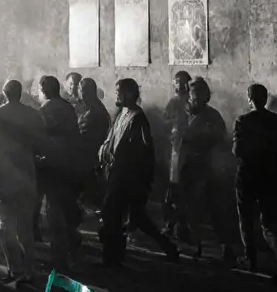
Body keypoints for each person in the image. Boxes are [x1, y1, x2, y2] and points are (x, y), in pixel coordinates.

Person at [98, 78, 180, 266]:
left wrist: (142, 180)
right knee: (136, 218)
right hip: (117, 173)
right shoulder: (122, 113)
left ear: (129, 94)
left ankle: (113, 259)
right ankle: (168, 247)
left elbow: (146, 150)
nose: (117, 94)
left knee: (115, 215)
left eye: (120, 91)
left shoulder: (137, 117)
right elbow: (112, 139)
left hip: (128, 177)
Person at [0, 80, 47, 285]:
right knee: (26, 227)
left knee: (5, 225)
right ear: (21, 93)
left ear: (5, 94)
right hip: (26, 175)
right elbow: (43, 144)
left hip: (4, 176)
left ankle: (14, 269)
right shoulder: (33, 115)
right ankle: (29, 271)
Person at [231, 84, 277, 282]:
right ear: (266, 98)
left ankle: (250, 259)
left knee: (246, 219)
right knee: (270, 222)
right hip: (270, 175)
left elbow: (237, 151)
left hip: (247, 176)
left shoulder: (243, 121)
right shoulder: (275, 120)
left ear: (248, 98)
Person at [174, 78, 237, 262]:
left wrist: (199, 140)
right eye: (191, 93)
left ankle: (226, 248)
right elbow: (177, 136)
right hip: (186, 166)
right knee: (190, 208)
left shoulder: (212, 116)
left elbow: (220, 139)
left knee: (215, 208)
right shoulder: (184, 114)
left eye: (196, 93)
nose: (192, 97)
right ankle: (196, 246)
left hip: (207, 167)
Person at [36, 75, 83, 271]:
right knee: (66, 208)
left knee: (54, 214)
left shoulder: (45, 110)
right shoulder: (68, 107)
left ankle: (59, 260)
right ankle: (72, 250)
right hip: (70, 165)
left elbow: (39, 137)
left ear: (43, 90)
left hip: (52, 165)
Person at [162, 71, 193, 239]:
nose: (180, 86)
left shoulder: (192, 102)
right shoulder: (173, 103)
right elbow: (164, 122)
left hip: (189, 150)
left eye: (183, 83)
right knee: (173, 188)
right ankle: (170, 223)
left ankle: (183, 226)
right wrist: (174, 124)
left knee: (185, 190)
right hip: (175, 149)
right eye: (177, 82)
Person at [78, 77, 113, 209]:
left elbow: (84, 132)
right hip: (90, 151)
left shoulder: (95, 111)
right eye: (81, 90)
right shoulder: (91, 107)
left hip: (92, 151)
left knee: (93, 183)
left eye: (83, 91)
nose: (81, 94)